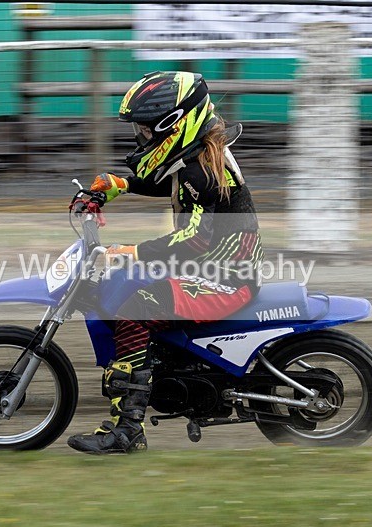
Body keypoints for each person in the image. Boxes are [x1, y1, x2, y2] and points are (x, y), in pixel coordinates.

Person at [67, 71, 264, 454]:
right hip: (210, 268)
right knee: (130, 286)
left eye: (144, 131)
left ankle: (128, 431)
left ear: (173, 125)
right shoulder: (196, 157)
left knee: (133, 310)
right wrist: (116, 184)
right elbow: (165, 181)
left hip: (224, 278)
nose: (141, 138)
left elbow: (193, 239)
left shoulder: (201, 171)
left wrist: (125, 252)